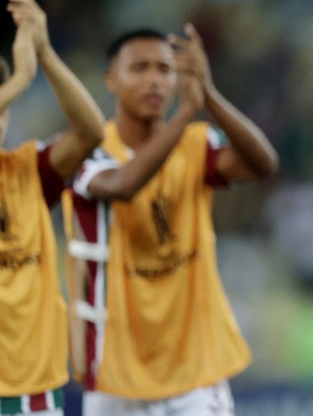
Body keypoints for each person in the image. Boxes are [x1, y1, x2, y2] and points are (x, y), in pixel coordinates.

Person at [64, 24, 279, 415]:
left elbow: (262, 164)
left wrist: (209, 97)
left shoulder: (196, 144)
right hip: (116, 369)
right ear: (111, 80)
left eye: (165, 69)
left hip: (195, 369)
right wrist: (184, 114)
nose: (154, 80)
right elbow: (122, 186)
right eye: (140, 68)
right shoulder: (89, 153)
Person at [0, 0, 105, 415]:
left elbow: (90, 133)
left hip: (31, 392)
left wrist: (44, 56)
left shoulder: (26, 170)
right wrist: (18, 82)